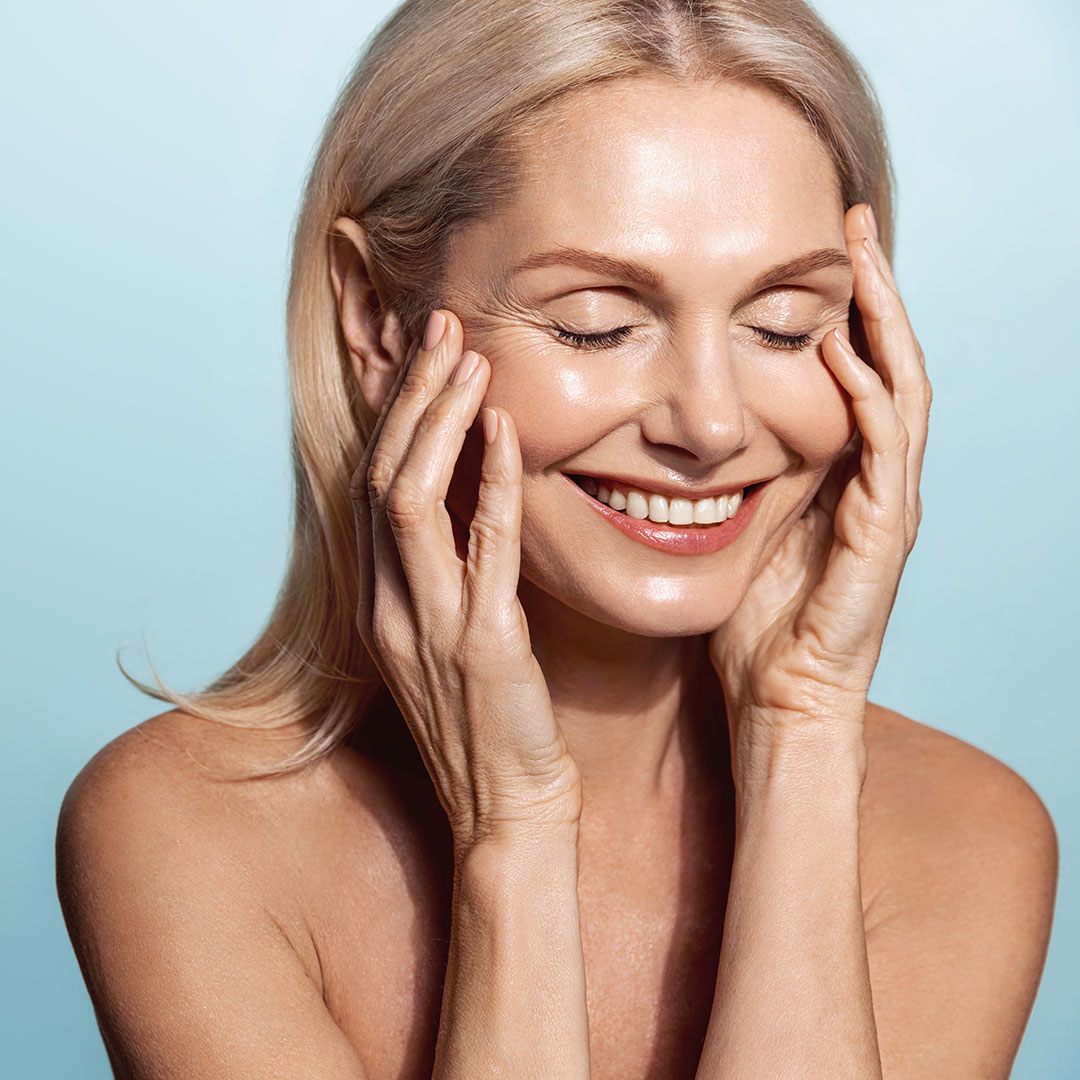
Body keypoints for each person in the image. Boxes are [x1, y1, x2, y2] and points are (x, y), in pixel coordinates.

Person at [55, 1, 1058, 1077]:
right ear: (376, 321)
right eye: (596, 324)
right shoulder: (185, 830)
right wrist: (513, 835)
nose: (712, 425)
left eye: (784, 325)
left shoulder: (969, 834)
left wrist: (803, 742)